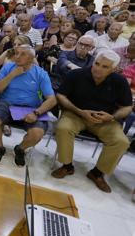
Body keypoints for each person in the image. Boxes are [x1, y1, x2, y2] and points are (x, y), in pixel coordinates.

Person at [52, 50, 131, 193]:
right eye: (97, 63)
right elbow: (61, 96)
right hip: (76, 114)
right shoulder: (77, 74)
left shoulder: (119, 81)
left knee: (122, 141)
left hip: (105, 120)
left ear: (113, 69)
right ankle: (67, 166)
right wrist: (79, 111)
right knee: (63, 128)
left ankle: (97, 173)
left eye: (105, 67)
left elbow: (127, 107)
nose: (98, 68)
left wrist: (112, 117)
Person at [0, 45, 57, 166]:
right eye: (16, 53)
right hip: (7, 104)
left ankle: (20, 149)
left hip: (32, 108)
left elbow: (52, 100)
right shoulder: (8, 68)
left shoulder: (40, 73)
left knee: (38, 132)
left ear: (31, 58)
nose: (17, 57)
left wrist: (36, 113)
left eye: (22, 54)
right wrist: (13, 74)